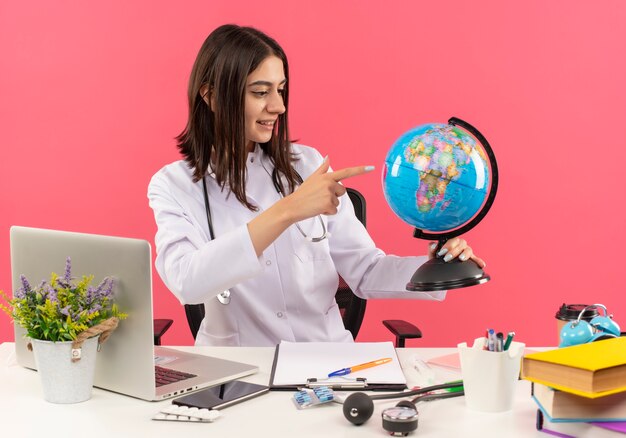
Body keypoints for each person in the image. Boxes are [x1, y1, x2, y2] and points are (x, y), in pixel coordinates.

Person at [148, 24, 485, 347]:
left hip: (324, 362)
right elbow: (187, 282)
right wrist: (289, 210)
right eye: (260, 92)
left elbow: (366, 271)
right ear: (211, 95)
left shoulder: (307, 166)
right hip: (240, 370)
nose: (278, 106)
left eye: (280, 90)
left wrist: (436, 266)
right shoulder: (175, 185)